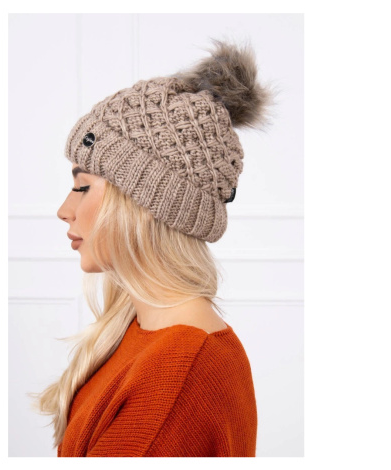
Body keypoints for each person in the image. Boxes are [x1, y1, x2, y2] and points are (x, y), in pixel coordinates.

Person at [31, 38, 274, 457]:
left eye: (82, 187)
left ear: (144, 204)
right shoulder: (143, 334)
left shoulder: (179, 372)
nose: (64, 210)